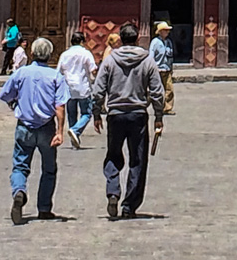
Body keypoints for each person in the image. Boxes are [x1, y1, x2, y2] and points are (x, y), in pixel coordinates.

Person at [92, 23, 164, 219]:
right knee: (138, 160)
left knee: (113, 154)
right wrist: (159, 115)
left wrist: (96, 113)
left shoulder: (109, 61)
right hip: (138, 115)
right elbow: (157, 91)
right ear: (138, 38)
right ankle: (129, 206)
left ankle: (113, 191)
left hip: (115, 115)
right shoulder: (147, 60)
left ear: (121, 39)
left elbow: (98, 90)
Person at [0, 37, 69, 225]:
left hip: (24, 126)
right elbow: (60, 106)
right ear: (50, 55)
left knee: (20, 165)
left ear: (32, 53)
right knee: (49, 169)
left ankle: (19, 191)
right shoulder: (56, 77)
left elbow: (5, 94)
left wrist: (14, 103)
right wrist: (60, 132)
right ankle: (44, 208)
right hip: (46, 127)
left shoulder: (21, 73)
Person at [57, 31, 97, 149]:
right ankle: (75, 131)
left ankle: (74, 138)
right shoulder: (85, 53)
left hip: (68, 87)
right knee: (87, 113)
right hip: (83, 87)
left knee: (71, 114)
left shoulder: (65, 54)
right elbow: (93, 69)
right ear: (81, 42)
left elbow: (59, 71)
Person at [149, 22, 175, 115]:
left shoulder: (169, 42)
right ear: (160, 32)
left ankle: (167, 108)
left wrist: (171, 68)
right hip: (157, 69)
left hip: (167, 69)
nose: (167, 32)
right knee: (155, 91)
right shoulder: (155, 42)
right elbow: (151, 56)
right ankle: (148, 105)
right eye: (165, 30)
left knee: (169, 89)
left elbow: (170, 56)